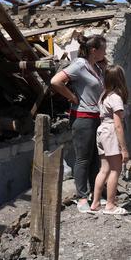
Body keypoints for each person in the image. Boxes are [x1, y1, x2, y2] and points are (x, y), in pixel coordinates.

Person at [50, 34, 107, 213]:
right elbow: (55, 81)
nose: (105, 52)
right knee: (83, 158)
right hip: (82, 118)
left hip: (96, 117)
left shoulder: (95, 66)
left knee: (95, 158)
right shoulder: (79, 65)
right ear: (93, 50)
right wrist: (72, 97)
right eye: (103, 49)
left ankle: (94, 195)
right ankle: (82, 197)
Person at [90, 65, 130, 215]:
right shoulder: (116, 98)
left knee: (104, 169)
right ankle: (110, 205)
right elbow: (118, 125)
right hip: (110, 132)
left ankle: (95, 203)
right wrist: (124, 149)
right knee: (115, 169)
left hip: (101, 131)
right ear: (120, 79)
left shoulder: (103, 96)